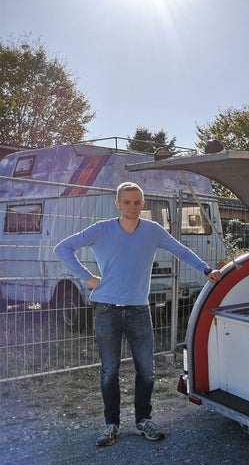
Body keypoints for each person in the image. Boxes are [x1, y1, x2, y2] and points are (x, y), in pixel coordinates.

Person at [54, 181, 223, 447]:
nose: (132, 207)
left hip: (139, 311)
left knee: (146, 371)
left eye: (137, 202)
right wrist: (87, 278)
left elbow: (179, 250)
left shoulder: (153, 231)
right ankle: (111, 425)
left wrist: (206, 270)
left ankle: (143, 420)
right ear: (118, 204)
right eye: (127, 202)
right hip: (106, 310)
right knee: (109, 372)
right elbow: (62, 248)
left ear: (143, 205)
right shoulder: (101, 230)